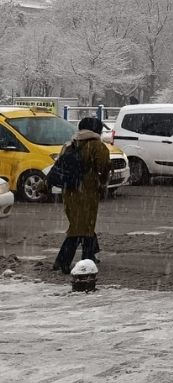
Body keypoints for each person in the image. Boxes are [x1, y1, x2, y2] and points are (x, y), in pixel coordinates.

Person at [52, 117, 111, 274]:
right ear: (96, 130)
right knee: (81, 228)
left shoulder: (69, 144)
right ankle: (67, 262)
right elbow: (103, 167)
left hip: (69, 191)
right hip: (87, 192)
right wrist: (102, 182)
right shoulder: (97, 146)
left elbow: (60, 166)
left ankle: (88, 257)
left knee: (82, 226)